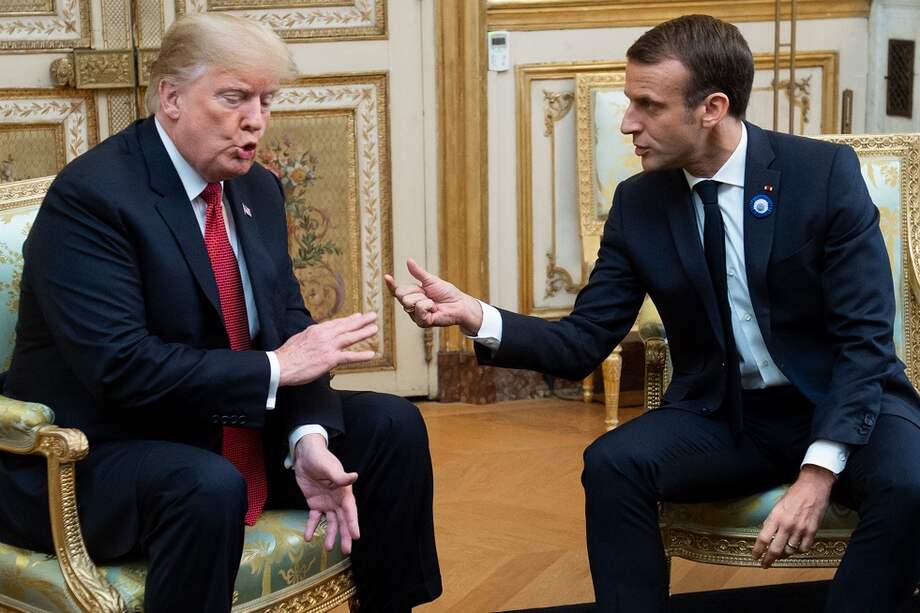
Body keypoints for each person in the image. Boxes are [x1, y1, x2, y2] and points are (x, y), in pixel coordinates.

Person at [386, 14, 920, 612]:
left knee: (911, 486)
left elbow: (865, 341)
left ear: (712, 108)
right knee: (613, 464)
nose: (627, 123)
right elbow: (585, 340)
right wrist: (476, 316)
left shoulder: (820, 175)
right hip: (727, 414)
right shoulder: (639, 202)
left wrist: (818, 473)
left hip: (843, 398)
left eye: (648, 105)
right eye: (628, 101)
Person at [0, 13, 440, 613]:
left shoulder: (256, 187)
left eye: (266, 100)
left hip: (220, 425)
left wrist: (306, 436)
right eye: (234, 98)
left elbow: (287, 325)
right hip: (97, 453)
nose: (255, 120)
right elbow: (121, 367)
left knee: (392, 428)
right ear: (172, 97)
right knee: (207, 485)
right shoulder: (94, 199)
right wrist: (275, 371)